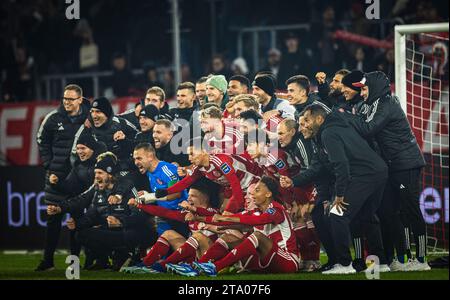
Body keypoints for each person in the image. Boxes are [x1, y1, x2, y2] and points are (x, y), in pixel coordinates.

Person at [343, 71, 430, 271]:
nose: (362, 93)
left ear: (374, 88)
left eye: (364, 89)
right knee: (390, 211)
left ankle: (422, 260)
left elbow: (367, 129)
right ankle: (403, 258)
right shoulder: (371, 105)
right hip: (392, 164)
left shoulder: (387, 104)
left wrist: (345, 117)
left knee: (411, 210)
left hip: (406, 163)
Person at [301, 104, 389, 274]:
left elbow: (341, 165)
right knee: (367, 216)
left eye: (308, 119)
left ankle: (345, 264)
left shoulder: (328, 133)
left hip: (364, 175)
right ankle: (381, 263)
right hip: (378, 171)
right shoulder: (339, 126)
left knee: (336, 214)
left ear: (319, 119)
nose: (305, 124)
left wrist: (339, 194)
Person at [179, 176, 300, 276]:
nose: (252, 195)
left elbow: (259, 220)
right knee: (227, 237)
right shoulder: (255, 211)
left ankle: (215, 267)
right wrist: (197, 216)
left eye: (257, 191)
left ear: (268, 194)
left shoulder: (276, 209)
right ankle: (198, 267)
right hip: (266, 261)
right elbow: (223, 221)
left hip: (288, 261)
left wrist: (225, 217)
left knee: (257, 235)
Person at [62, 155, 153, 271]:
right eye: (95, 173)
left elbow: (141, 216)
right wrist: (77, 224)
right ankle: (104, 260)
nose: (96, 177)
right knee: (81, 234)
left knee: (131, 233)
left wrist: (121, 222)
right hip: (112, 232)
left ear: (109, 174)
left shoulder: (128, 189)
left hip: (130, 231)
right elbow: (91, 215)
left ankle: (127, 255)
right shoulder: (99, 191)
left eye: (100, 173)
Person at [35, 84, 90, 271]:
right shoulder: (53, 118)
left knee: (76, 220)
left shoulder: (89, 117)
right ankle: (47, 261)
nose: (66, 102)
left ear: (80, 100)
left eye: (71, 99)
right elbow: (41, 139)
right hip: (56, 177)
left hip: (78, 178)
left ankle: (74, 264)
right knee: (53, 220)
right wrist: (49, 164)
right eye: (65, 99)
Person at [122, 179, 220, 274]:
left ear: (205, 198)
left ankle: (162, 266)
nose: (188, 199)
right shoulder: (188, 213)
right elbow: (165, 212)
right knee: (168, 233)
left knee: (198, 236)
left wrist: (195, 213)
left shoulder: (213, 212)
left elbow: (206, 214)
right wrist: (140, 206)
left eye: (193, 196)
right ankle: (145, 265)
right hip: (195, 253)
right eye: (188, 195)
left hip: (210, 256)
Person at [154, 138, 263, 214]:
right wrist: (166, 191)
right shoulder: (199, 168)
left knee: (228, 215)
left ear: (204, 151)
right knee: (224, 212)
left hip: (253, 182)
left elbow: (234, 181)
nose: (189, 158)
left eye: (192, 154)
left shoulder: (220, 160)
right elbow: (185, 182)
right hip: (236, 187)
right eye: (188, 155)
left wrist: (238, 203)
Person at [133, 143, 189, 238]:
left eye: (139, 158)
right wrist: (148, 195)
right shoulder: (149, 173)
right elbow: (158, 193)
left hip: (180, 216)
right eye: (134, 159)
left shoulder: (166, 169)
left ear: (150, 156)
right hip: (164, 216)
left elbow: (176, 194)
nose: (135, 162)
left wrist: (150, 197)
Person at [73, 97, 139, 173]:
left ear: (107, 114)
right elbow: (74, 154)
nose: (94, 116)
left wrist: (125, 140)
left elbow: (138, 143)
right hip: (94, 172)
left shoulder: (121, 124)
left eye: (98, 112)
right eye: (92, 111)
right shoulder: (86, 127)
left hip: (120, 171)